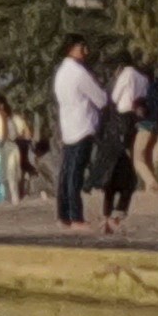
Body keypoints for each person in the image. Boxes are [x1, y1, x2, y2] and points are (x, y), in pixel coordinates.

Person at [56, 36, 110, 227]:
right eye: (82, 47)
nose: (86, 52)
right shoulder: (79, 73)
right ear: (72, 48)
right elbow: (101, 99)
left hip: (68, 127)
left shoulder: (61, 72)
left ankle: (63, 215)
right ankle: (76, 216)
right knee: (75, 174)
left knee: (66, 172)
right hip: (82, 127)